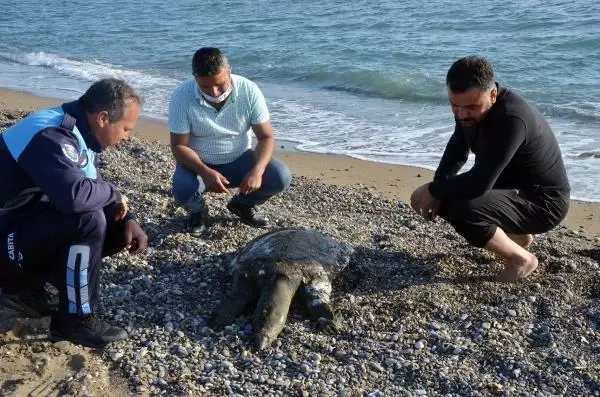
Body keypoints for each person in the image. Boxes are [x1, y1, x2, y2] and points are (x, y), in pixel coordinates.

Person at [0, 78, 148, 348]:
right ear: (103, 118)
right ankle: (75, 321)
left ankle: (27, 289)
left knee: (113, 226)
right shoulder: (50, 134)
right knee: (87, 219)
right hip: (5, 243)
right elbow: (74, 198)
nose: (127, 138)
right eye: (126, 128)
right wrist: (114, 192)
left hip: (18, 228)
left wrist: (128, 220)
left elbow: (91, 186)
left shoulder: (77, 132)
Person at [410, 56, 570, 282]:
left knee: (460, 206)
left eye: (471, 107)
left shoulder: (512, 118)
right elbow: (457, 148)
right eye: (454, 105)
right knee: (446, 197)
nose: (462, 114)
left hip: (544, 203)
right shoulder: (466, 109)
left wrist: (434, 189)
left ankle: (522, 260)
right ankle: (519, 237)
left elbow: (480, 183)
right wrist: (438, 187)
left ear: (493, 94)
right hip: (510, 189)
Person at [168, 47, 292, 232]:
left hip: (240, 158)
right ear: (195, 78)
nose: (215, 92)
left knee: (280, 176)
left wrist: (257, 170)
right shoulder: (181, 97)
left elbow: (266, 137)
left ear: (229, 71)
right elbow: (178, 146)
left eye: (221, 84)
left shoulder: (249, 91)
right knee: (182, 190)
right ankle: (198, 211)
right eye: (205, 87)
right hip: (199, 163)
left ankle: (242, 205)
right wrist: (205, 171)